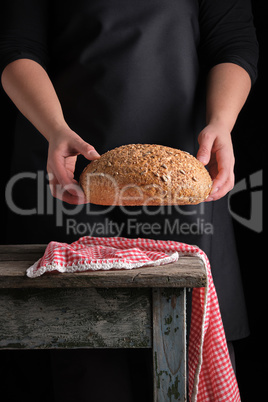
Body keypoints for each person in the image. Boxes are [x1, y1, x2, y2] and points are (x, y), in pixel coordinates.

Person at [0, 0, 258, 400]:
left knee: (190, 351)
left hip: (183, 176)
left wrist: (221, 122)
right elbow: (18, 48)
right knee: (83, 362)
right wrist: (55, 130)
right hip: (72, 172)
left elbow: (232, 44)